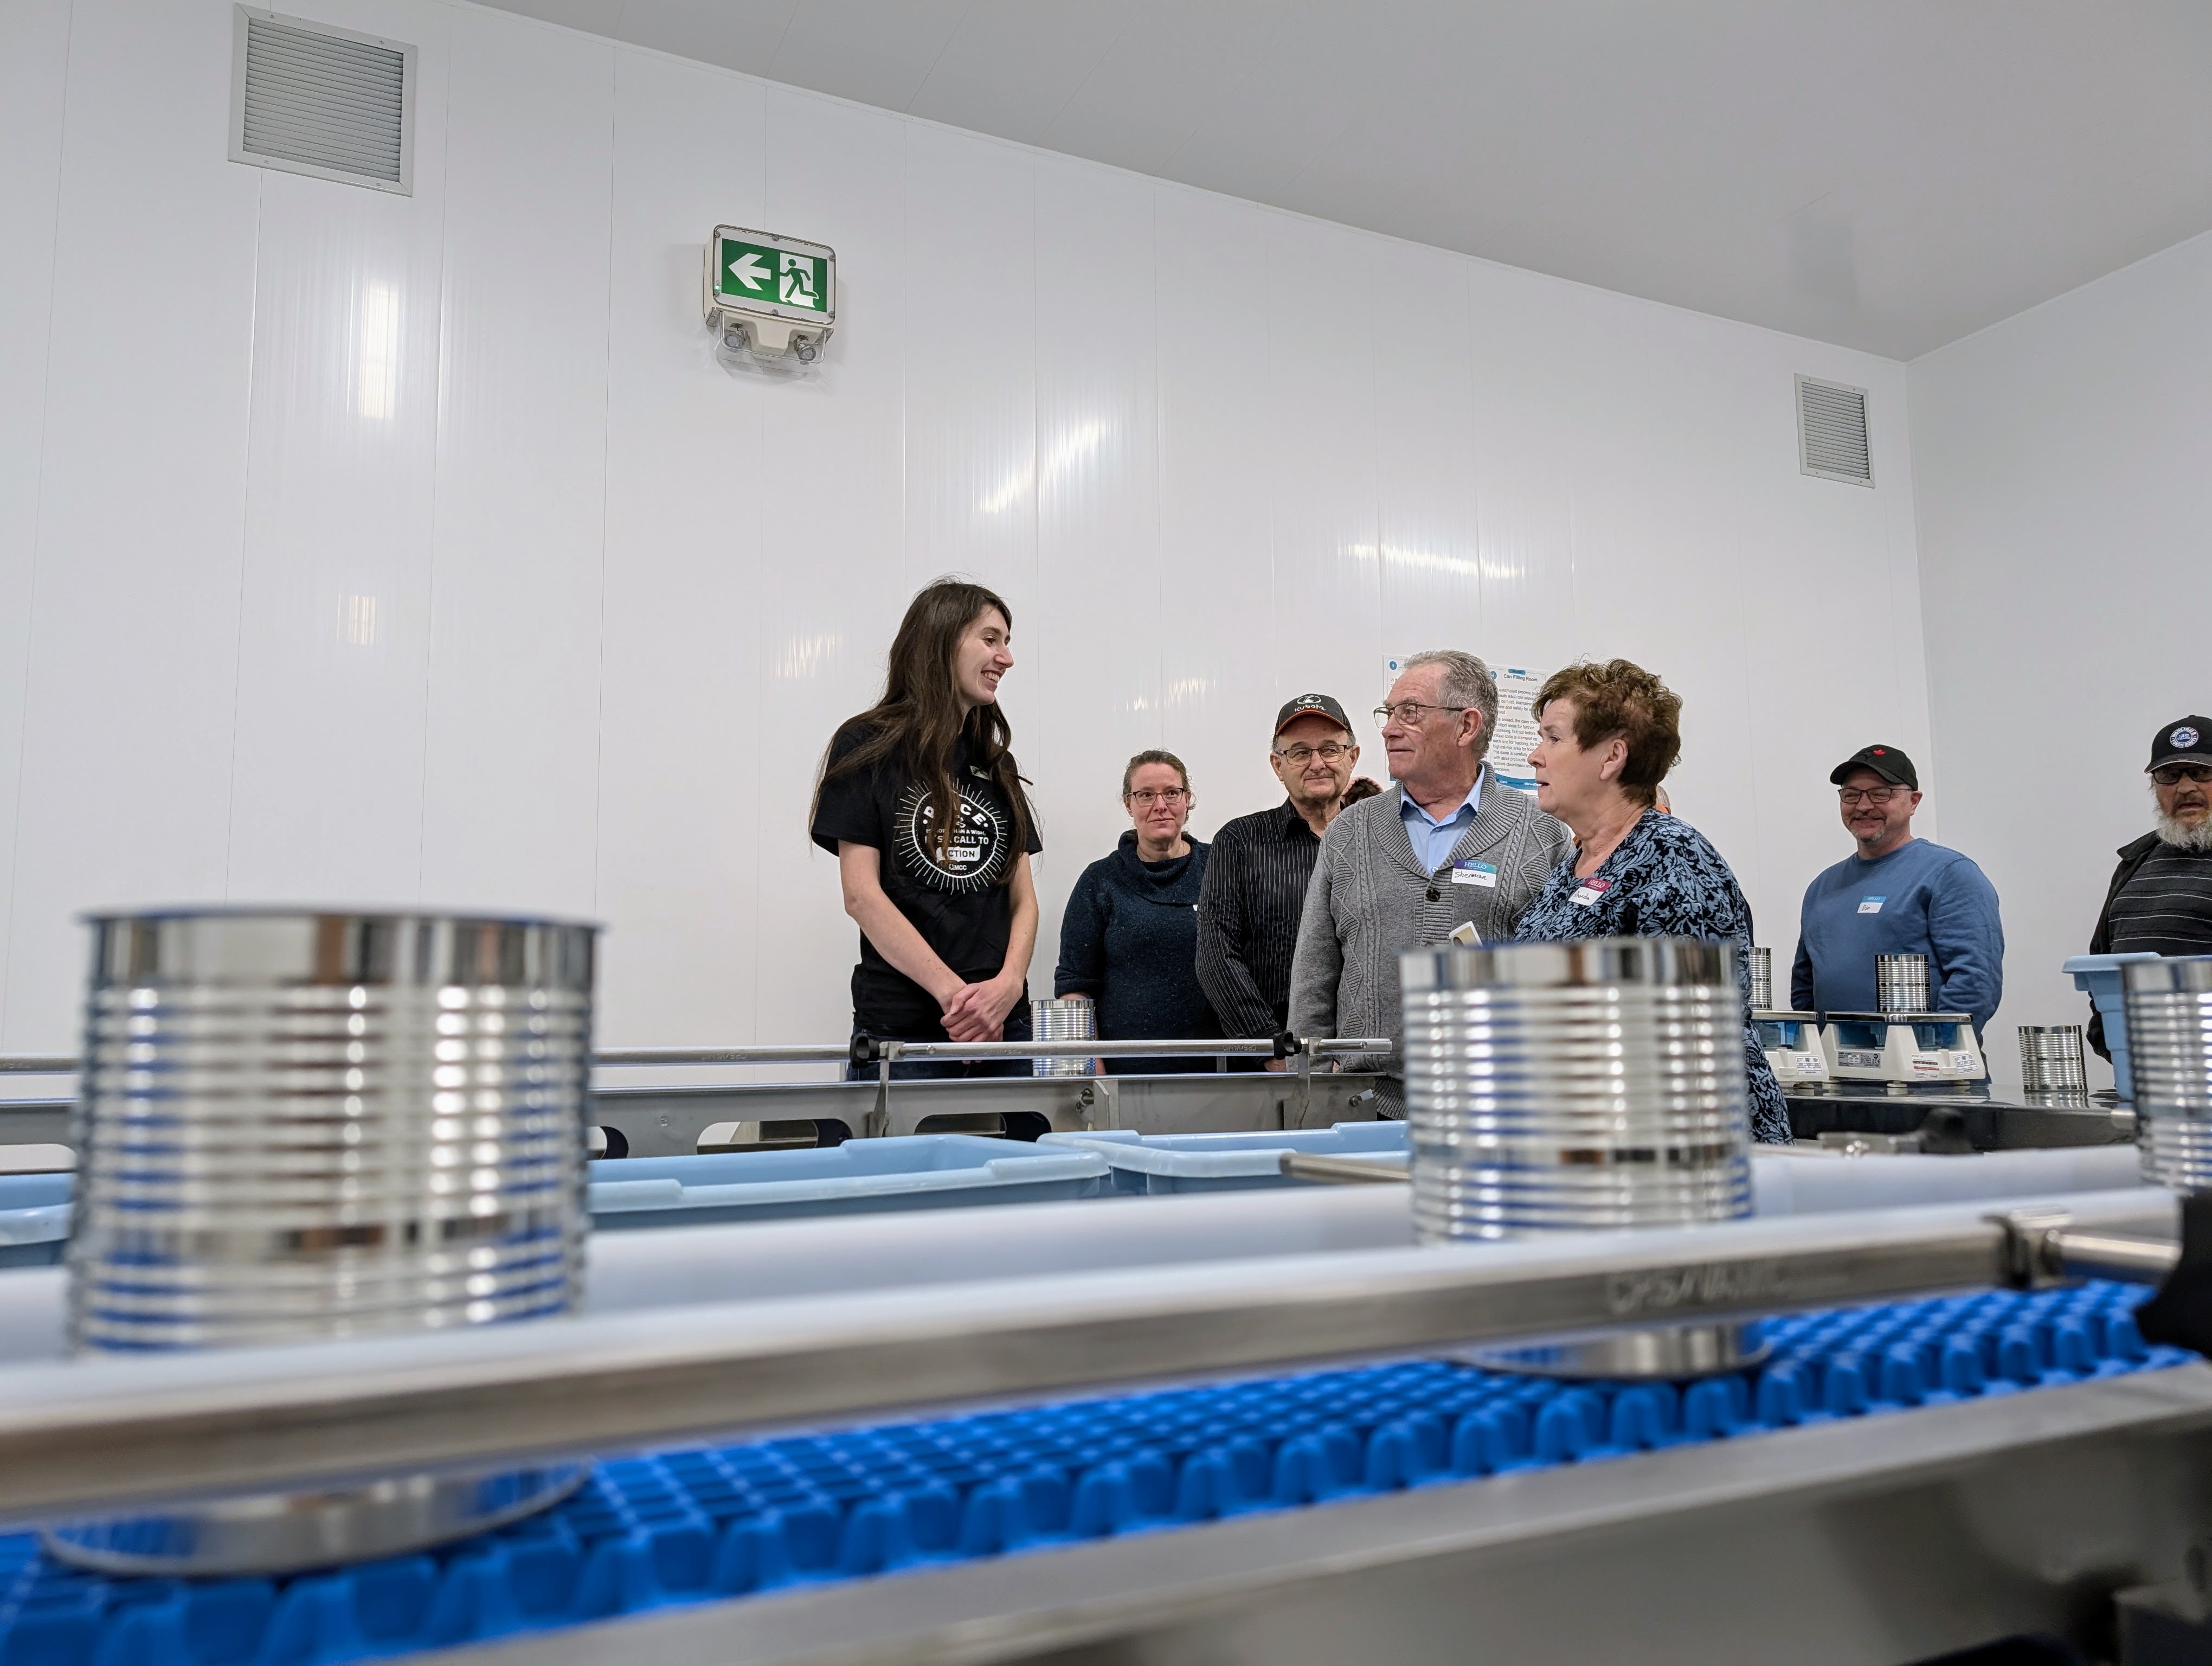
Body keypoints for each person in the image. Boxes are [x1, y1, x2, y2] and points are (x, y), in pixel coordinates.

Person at [1512, 658, 1791, 1145]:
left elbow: (1686, 1034)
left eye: (1553, 738)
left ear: (1611, 757)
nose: (1536, 756)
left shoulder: (1675, 861)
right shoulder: (1576, 864)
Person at [1288, 652, 1570, 1110]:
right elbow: (1314, 974)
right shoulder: (1349, 831)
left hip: (1496, 1113)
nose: (1388, 729)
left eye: (1410, 713)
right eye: (1389, 713)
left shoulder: (1543, 835)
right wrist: (1314, 1092)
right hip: (1364, 1110)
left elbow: (1562, 988)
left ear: (1466, 726)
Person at [810, 579, 1042, 1080]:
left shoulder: (997, 764)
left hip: (1002, 1025)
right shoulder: (866, 744)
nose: (1006, 658)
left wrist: (1008, 986)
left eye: (1006, 642)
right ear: (941, 641)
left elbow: (1023, 900)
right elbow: (861, 896)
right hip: (906, 1030)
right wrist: (959, 1001)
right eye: (991, 639)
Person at [1790, 744, 2004, 1040]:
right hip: (1838, 1065)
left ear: (1914, 801)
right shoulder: (1822, 887)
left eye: (1881, 794)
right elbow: (1805, 985)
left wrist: (1934, 1052)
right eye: (1851, 795)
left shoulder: (1950, 874)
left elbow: (1975, 981)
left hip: (1927, 1067)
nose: (1863, 806)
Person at [1195, 694, 1363, 1061]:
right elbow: (1217, 956)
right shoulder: (1240, 841)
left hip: (1363, 1063)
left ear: (1352, 756)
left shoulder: (1379, 841)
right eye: (1300, 753)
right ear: (1278, 765)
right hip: (1271, 1067)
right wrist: (1272, 1050)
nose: (1317, 763)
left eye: (1330, 749)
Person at [1054, 751, 1221, 1074]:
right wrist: (1092, 1072)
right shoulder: (1100, 880)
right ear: (1128, 804)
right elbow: (1074, 986)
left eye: (1171, 793)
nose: (1160, 805)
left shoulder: (1221, 868)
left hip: (1219, 1071)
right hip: (1125, 1075)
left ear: (1187, 800)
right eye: (1145, 795)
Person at [2086, 715, 2212, 1060]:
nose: (2185, 788)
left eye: (2202, 772)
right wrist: (2108, 1039)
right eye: (2170, 775)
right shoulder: (2136, 860)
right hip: (2142, 1066)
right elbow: (2102, 961)